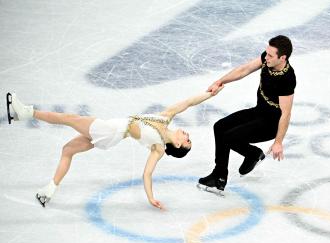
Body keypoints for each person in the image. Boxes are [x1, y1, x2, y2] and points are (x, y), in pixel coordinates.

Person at [6, 88, 223, 209]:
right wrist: (211, 93)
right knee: (67, 150)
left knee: (67, 118)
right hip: (110, 133)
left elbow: (147, 174)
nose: (187, 135)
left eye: (187, 141)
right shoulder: (165, 118)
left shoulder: (158, 147)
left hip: (109, 131)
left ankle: (26, 112)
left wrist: (150, 198)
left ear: (177, 145)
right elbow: (188, 102)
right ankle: (49, 191)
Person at [198, 35, 296, 193]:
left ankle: (220, 178)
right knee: (220, 127)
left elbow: (286, 113)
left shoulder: (287, 79)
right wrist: (220, 81)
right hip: (259, 112)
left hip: (270, 124)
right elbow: (245, 69)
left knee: (228, 137)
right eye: (266, 53)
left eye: (271, 55)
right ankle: (252, 154)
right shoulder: (267, 58)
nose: (266, 57)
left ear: (282, 57)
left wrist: (278, 142)